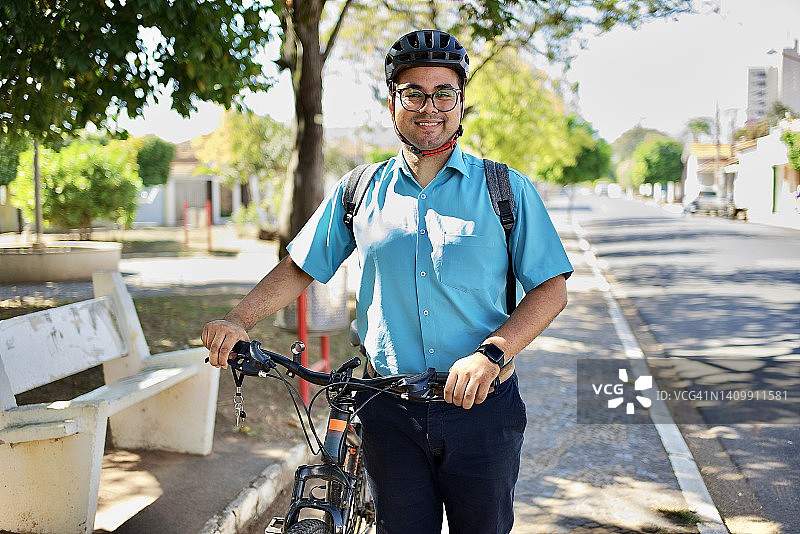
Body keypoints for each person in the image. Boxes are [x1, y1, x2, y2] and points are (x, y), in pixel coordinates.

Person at [203, 29, 573, 534]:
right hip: (388, 410)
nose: (429, 107)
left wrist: (493, 353)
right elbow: (300, 267)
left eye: (444, 93)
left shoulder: (505, 188)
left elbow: (551, 288)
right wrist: (237, 319)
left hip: (481, 408)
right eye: (413, 93)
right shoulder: (359, 190)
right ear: (392, 103)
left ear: (461, 102)